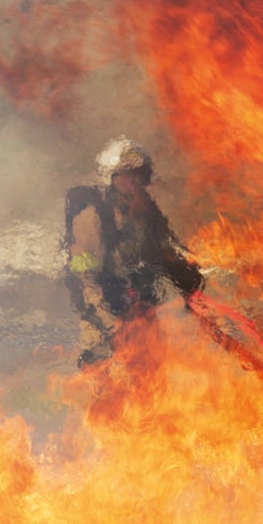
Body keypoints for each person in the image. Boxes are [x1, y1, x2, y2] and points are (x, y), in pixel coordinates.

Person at [64, 135, 205, 368]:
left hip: (141, 306)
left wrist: (192, 287)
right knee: (107, 378)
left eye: (139, 174)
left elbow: (167, 254)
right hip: (103, 310)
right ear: (111, 178)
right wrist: (109, 324)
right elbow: (84, 278)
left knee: (150, 371)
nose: (133, 182)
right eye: (126, 175)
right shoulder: (93, 218)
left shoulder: (147, 213)